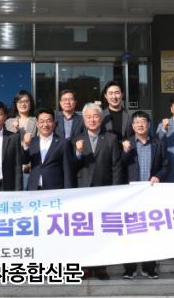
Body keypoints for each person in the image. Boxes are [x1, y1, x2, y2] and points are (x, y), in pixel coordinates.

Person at [73, 102, 122, 280]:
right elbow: (71, 165)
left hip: (104, 190)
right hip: (82, 190)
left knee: (102, 229)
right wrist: (78, 153)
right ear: (84, 120)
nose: (92, 120)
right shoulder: (76, 139)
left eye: (95, 116)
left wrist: (115, 190)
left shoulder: (111, 138)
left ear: (100, 118)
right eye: (88, 117)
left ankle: (101, 266)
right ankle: (85, 266)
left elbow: (116, 166)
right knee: (84, 230)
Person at [120, 111, 169, 280]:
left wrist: (158, 176)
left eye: (143, 121)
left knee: (150, 232)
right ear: (132, 126)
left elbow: (165, 166)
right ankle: (129, 268)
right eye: (137, 122)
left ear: (149, 124)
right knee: (130, 232)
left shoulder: (158, 144)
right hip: (130, 195)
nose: (140, 125)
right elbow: (119, 166)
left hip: (151, 194)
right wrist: (125, 152)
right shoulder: (126, 143)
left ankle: (150, 268)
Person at [21, 108, 74, 190]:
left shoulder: (63, 143)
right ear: (37, 124)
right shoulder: (32, 141)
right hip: (34, 188)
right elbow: (24, 161)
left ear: (54, 123)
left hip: (55, 190)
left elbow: (68, 170)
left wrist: (68, 191)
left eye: (49, 121)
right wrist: (26, 146)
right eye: (41, 121)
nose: (45, 125)